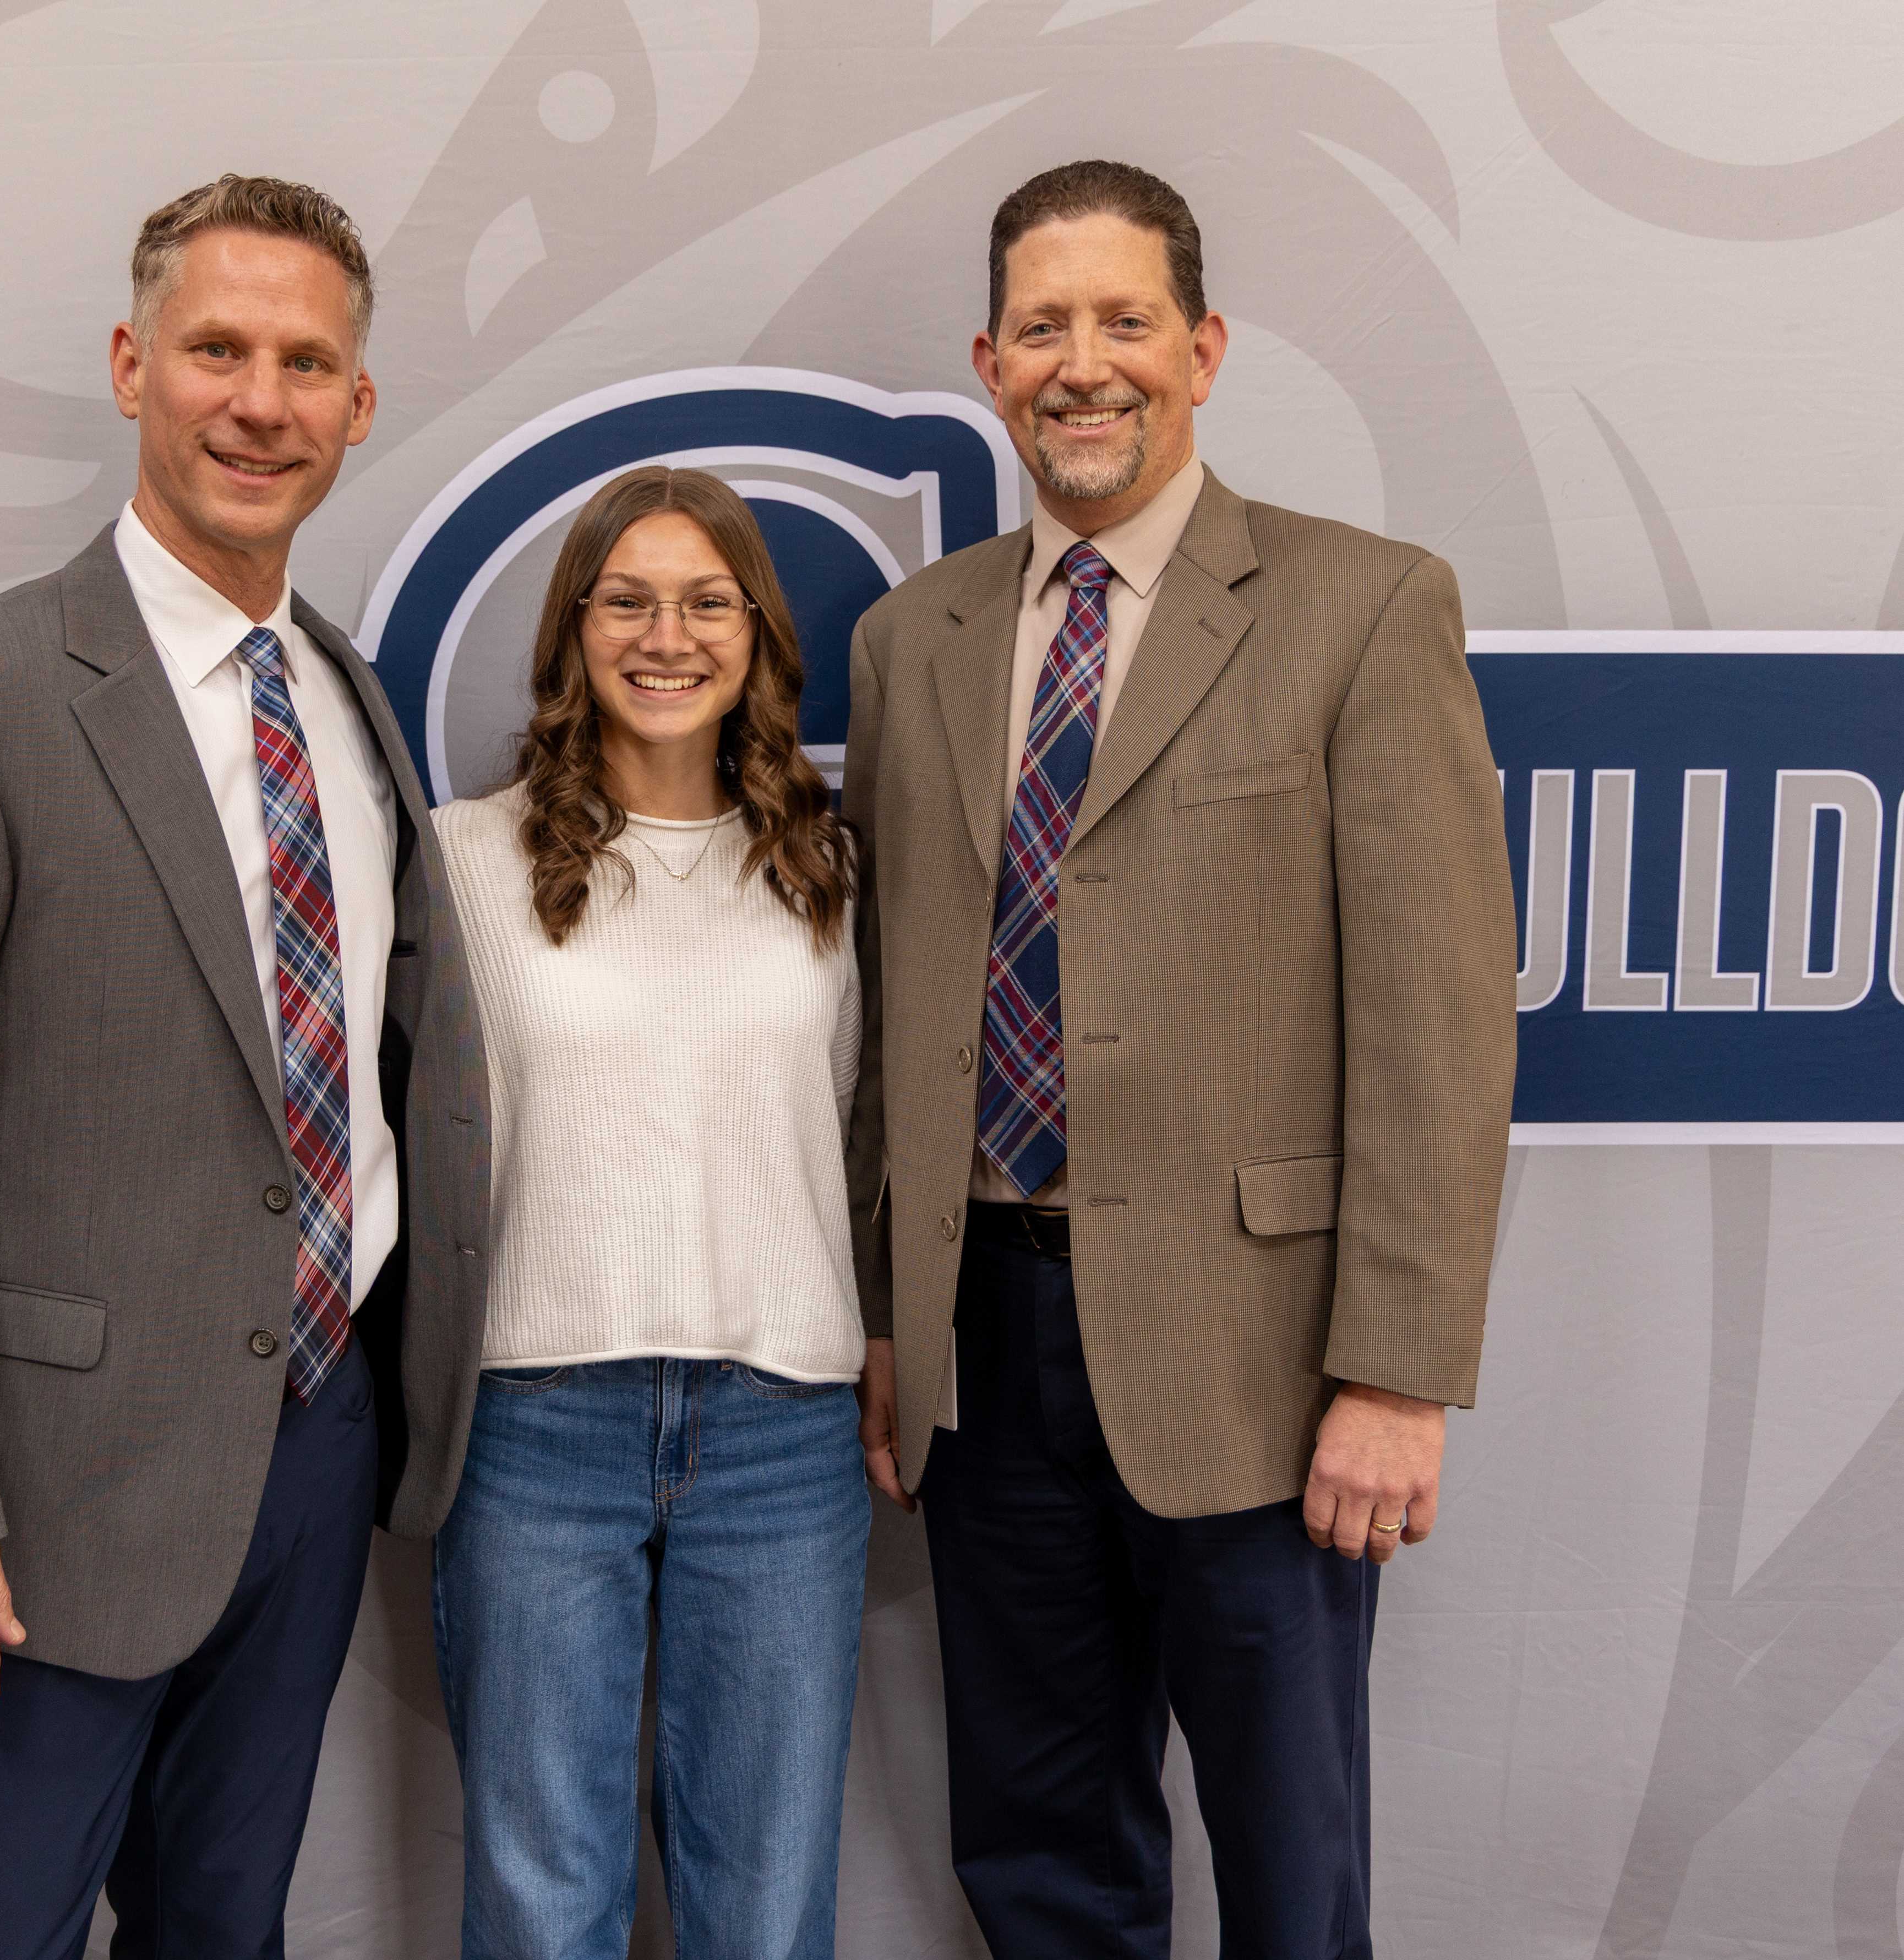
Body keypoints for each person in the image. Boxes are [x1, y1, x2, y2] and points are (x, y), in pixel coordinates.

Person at [0, 175, 492, 1959]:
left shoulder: (346, 697)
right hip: (42, 1502)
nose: (260, 402)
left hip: (311, 1450)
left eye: (305, 364)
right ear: (129, 366)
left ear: (358, 404)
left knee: (224, 1932)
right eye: (216, 350)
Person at [843, 160, 1517, 1956]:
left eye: (1123, 321)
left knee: (1291, 1871)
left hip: (1260, 1363)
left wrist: (1394, 1375)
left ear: (1201, 350)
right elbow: (893, 1014)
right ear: (988, 362)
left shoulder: (1359, 605)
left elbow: (1437, 1024)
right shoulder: (911, 645)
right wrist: (894, 1316)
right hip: (986, 1347)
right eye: (1041, 327)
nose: (1083, 364)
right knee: (1039, 1856)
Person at [430, 466, 869, 1959]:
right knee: (541, 1899)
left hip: (783, 1430)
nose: (665, 636)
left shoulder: (830, 869)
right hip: (534, 1423)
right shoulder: (466, 860)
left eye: (704, 602)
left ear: (757, 633)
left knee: (767, 1905)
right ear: (574, 626)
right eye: (626, 600)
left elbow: (854, 1132)